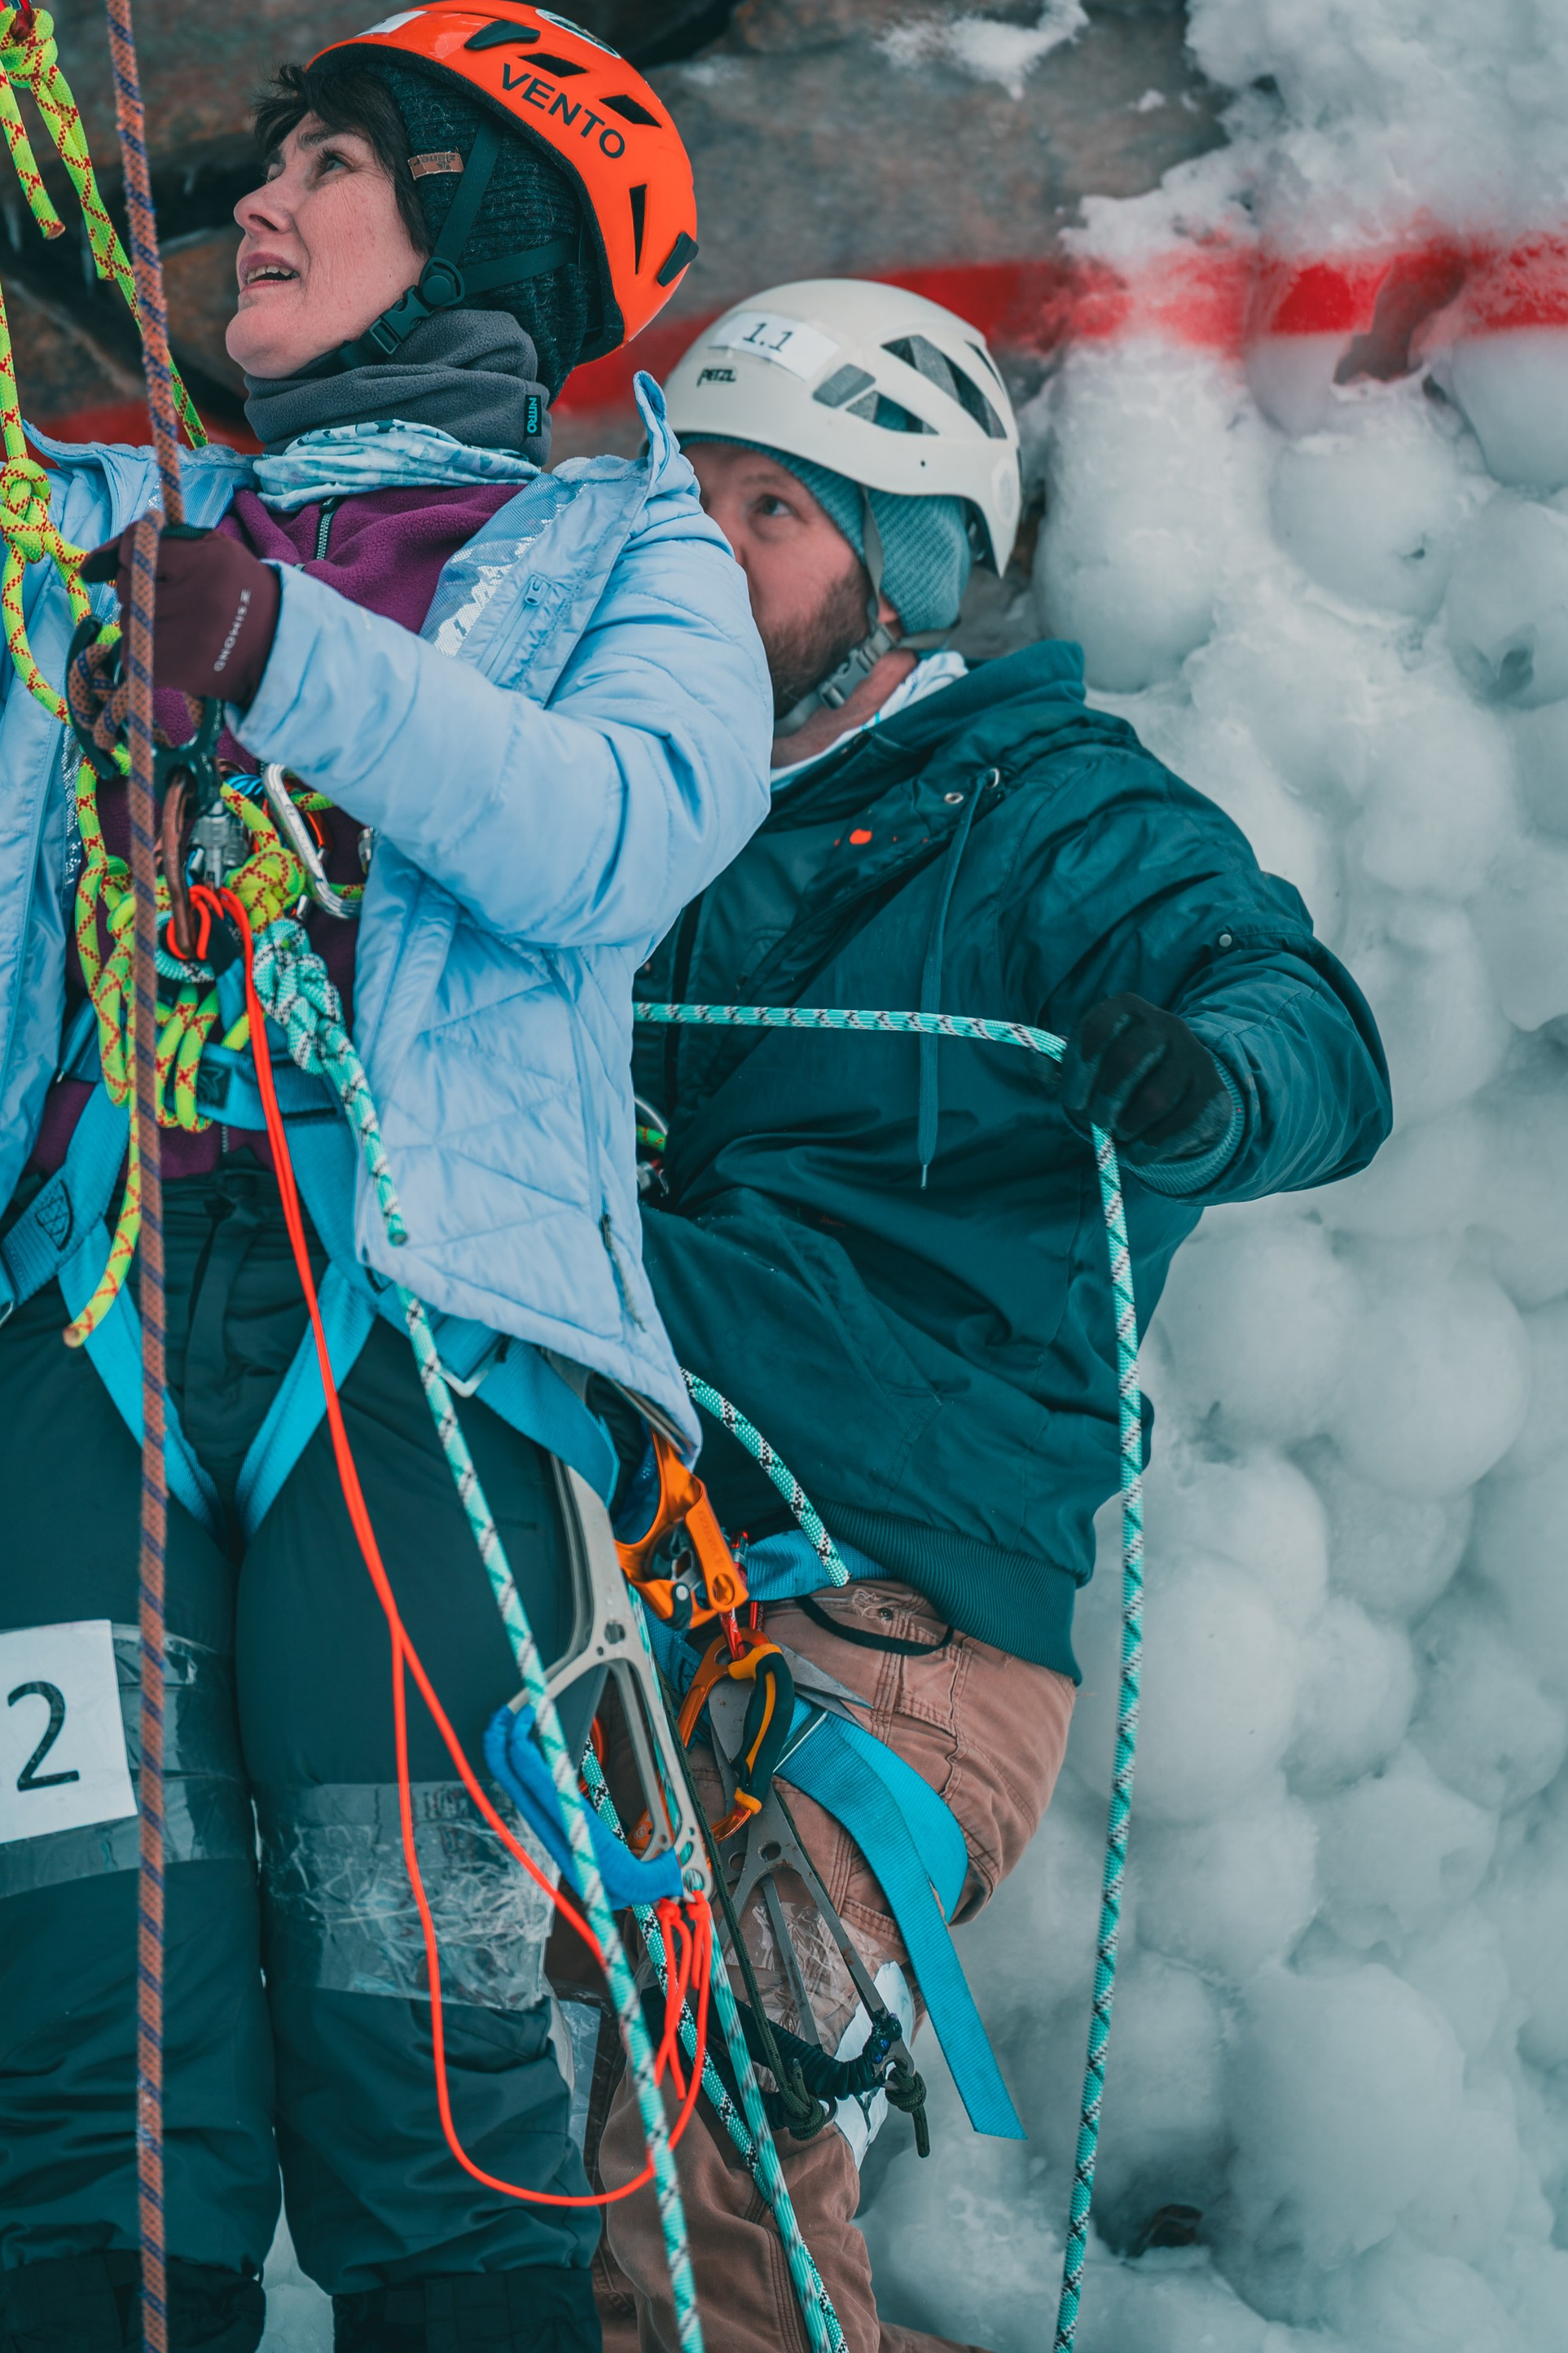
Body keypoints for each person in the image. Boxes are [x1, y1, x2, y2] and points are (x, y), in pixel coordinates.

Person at [0, 0, 773, 2353]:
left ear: (481, 227)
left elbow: (610, 832)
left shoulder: (636, 551)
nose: (255, 204)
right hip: (63, 1327)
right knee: (99, 2084)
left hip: (415, 1371)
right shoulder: (118, 532)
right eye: (272, 163)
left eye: (330, 162)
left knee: (424, 2073)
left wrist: (287, 652)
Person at [589, 279, 1393, 2353]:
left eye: (770, 511)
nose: (702, 549)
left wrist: (1208, 1072)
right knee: (482, 2172)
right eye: (683, 503)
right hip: (601, 1587)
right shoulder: (602, 807)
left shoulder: (1040, 809)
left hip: (890, 1640)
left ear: (906, 565)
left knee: (710, 2140)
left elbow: (1293, 1014)